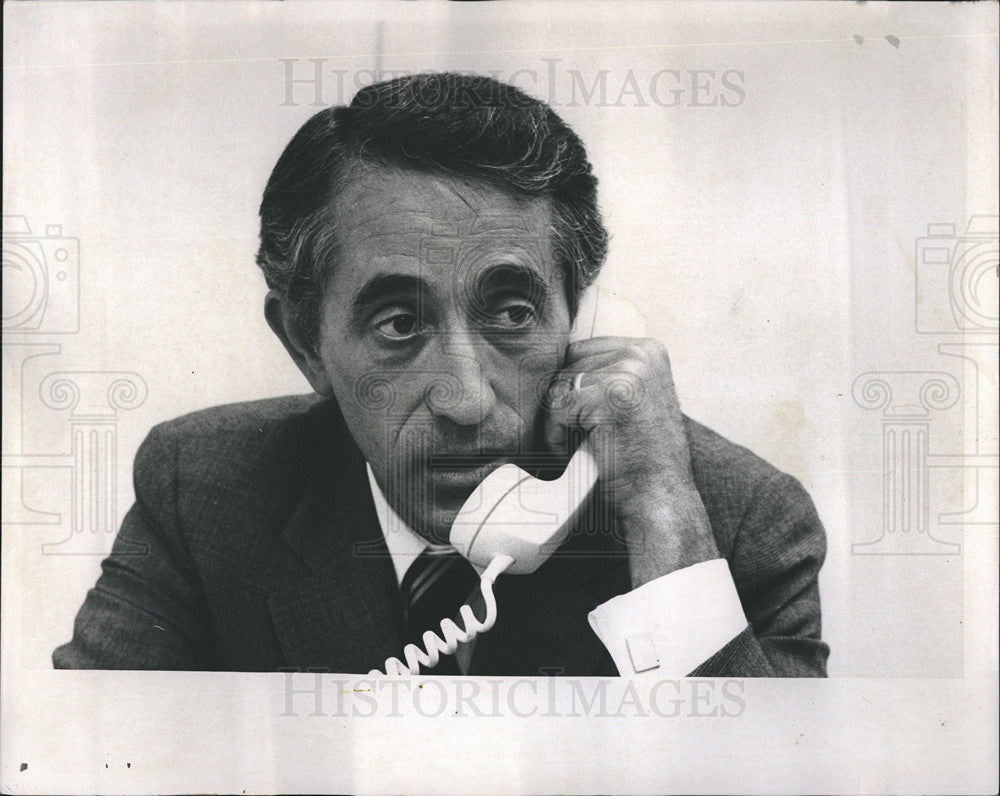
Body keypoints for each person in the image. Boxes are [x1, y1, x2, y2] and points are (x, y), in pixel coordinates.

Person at [53, 73, 828, 676]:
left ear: (581, 321)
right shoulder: (204, 491)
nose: (466, 398)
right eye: (398, 325)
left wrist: (662, 514)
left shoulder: (735, 521)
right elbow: (81, 759)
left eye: (513, 315)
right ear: (305, 343)